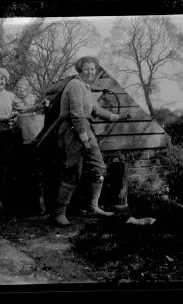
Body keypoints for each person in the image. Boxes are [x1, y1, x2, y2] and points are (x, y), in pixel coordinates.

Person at [54, 56, 129, 226]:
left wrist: (115, 117)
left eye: (93, 69)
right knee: (73, 172)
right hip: (72, 131)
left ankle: (92, 206)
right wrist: (84, 139)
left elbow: (94, 109)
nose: (91, 72)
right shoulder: (75, 85)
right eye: (87, 69)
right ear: (80, 70)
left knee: (99, 168)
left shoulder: (86, 88)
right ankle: (60, 213)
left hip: (85, 128)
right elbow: (76, 114)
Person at [0, 67, 48, 212]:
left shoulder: (10, 95)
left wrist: (39, 106)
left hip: (7, 134)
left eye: (2, 79)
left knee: (8, 168)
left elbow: (23, 109)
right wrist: (6, 117)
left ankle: (8, 205)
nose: (0, 81)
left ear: (6, 81)